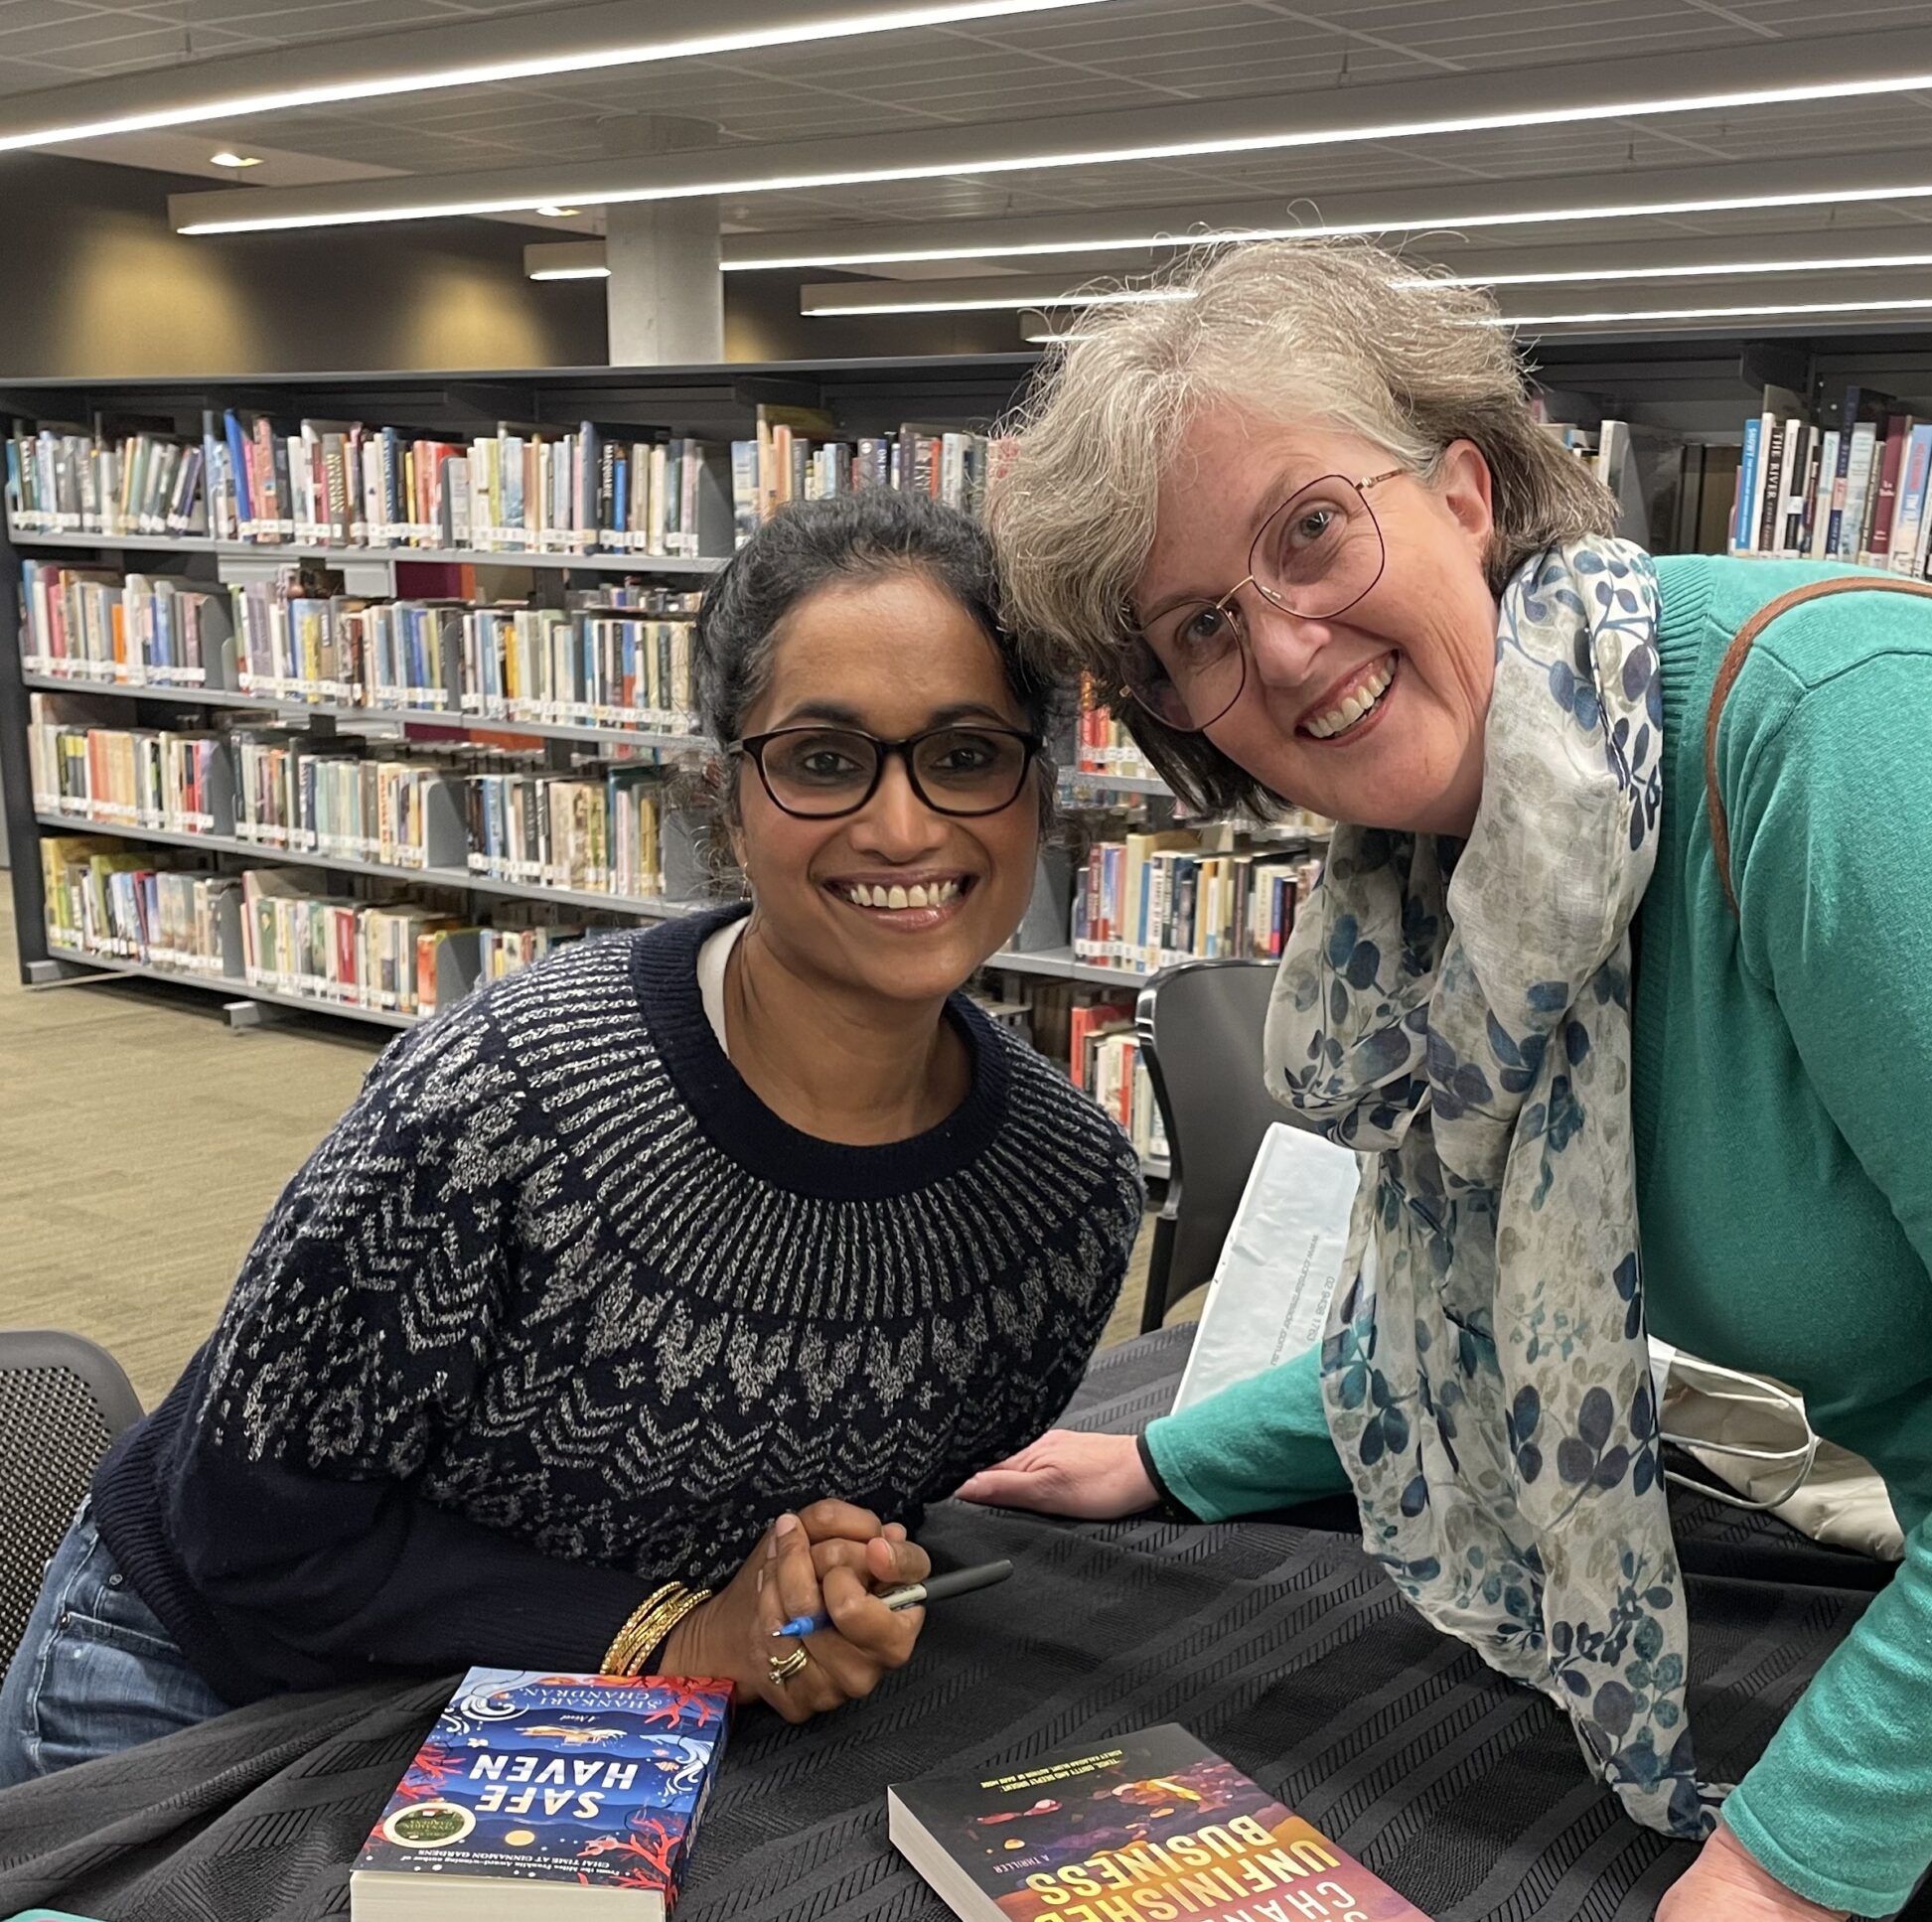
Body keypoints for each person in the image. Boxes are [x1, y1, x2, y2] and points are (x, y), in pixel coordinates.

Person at [966, 239, 1932, 1922]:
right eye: (1202, 627)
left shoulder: (1850, 740)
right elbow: (1505, 1293)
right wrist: (1178, 1461)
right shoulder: (1480, 885)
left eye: (1308, 530)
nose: (1284, 647)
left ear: (1468, 493)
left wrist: (1783, 1872)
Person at [0, 491, 1145, 1788]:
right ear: (726, 797)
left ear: (1041, 794)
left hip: (574, 1724)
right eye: (825, 761)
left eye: (968, 754)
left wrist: (815, 1585)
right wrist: (672, 1636)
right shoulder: (498, 1105)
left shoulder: (1063, 1202)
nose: (902, 827)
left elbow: (852, 1506)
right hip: (207, 1686)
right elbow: (251, 1535)